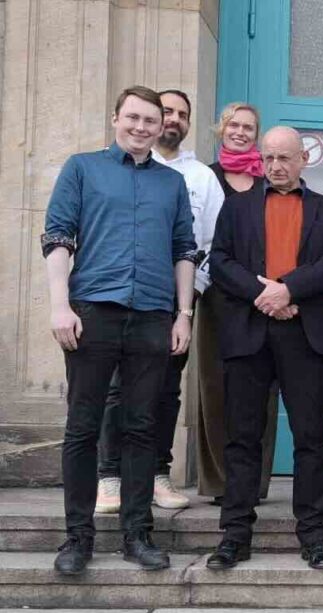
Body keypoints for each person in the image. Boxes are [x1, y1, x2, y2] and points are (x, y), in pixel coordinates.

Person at [43, 85, 197, 575]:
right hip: (93, 313)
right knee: (83, 428)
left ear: (160, 127)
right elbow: (57, 236)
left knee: (141, 428)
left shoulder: (171, 184)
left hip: (153, 317)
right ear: (115, 119)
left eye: (151, 121)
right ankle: (77, 539)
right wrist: (59, 306)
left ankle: (137, 535)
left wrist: (184, 314)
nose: (141, 127)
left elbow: (184, 251)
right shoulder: (82, 169)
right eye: (133, 117)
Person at [206, 126, 323, 571]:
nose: (275, 166)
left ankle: (313, 536)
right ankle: (235, 535)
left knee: (311, 438)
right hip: (249, 332)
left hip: (305, 334)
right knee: (243, 438)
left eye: (284, 158)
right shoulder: (236, 207)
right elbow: (221, 261)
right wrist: (261, 294)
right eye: (268, 157)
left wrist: (287, 290)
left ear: (304, 159)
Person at [96, 89, 225, 513]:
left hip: (174, 304)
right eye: (165, 111)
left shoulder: (201, 177)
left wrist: (191, 297)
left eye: (181, 114)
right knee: (117, 390)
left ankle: (157, 474)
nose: (172, 120)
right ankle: (110, 478)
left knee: (167, 391)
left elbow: (206, 240)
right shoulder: (104, 169)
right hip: (120, 299)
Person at [196, 102, 278, 505]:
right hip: (217, 297)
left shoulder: (269, 183)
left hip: (265, 300)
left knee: (263, 389)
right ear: (221, 130)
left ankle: (255, 482)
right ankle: (219, 482)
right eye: (234, 125)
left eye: (249, 127)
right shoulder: (207, 178)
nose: (241, 132)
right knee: (216, 388)